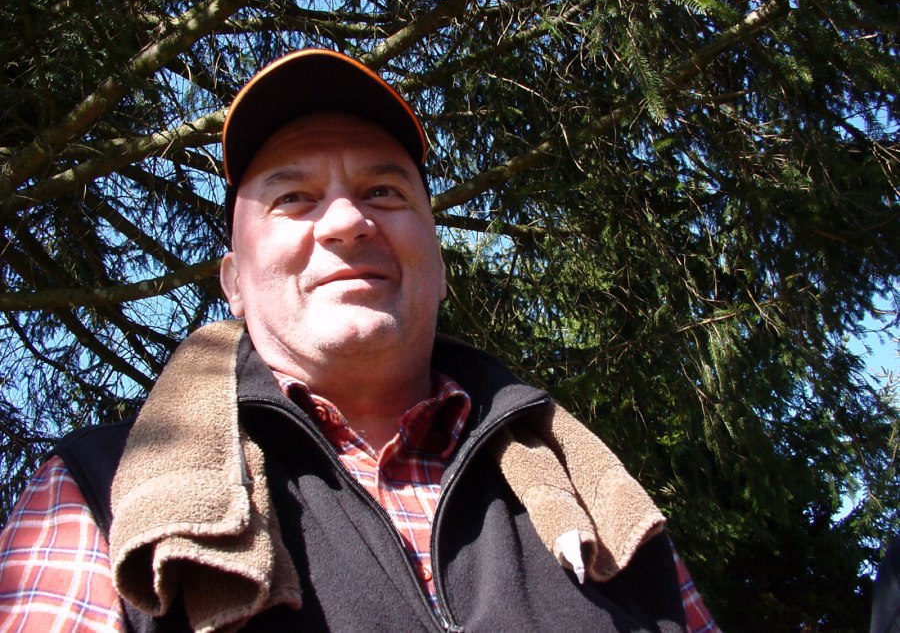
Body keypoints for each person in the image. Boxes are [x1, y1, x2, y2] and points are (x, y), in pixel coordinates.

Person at [0, 49, 718, 632]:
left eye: (383, 192)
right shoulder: (98, 496)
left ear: (439, 268)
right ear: (234, 282)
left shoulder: (599, 503)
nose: (346, 221)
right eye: (293, 198)